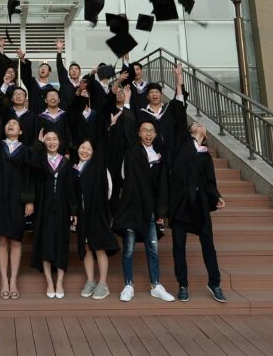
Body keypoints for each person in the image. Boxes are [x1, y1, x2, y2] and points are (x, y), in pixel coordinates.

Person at [112, 121, 175, 303]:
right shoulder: (131, 153)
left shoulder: (159, 157)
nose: (148, 134)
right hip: (132, 207)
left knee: (153, 248)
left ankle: (156, 285)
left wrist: (161, 212)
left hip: (151, 210)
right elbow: (125, 177)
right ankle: (128, 285)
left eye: (151, 131)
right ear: (138, 133)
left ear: (155, 135)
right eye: (145, 131)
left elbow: (162, 186)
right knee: (129, 249)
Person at [169, 121, 227, 303]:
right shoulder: (182, 146)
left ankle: (215, 283)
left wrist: (216, 195)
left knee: (208, 245)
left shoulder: (205, 154)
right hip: (181, 205)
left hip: (200, 205)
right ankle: (183, 284)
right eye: (197, 124)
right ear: (191, 131)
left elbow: (210, 180)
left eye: (202, 124)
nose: (201, 125)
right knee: (179, 246)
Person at [0, 118, 34, 300]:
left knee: (16, 240)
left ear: (20, 131)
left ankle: (13, 280)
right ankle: (4, 280)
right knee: (1, 240)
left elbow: (30, 176)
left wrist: (29, 200)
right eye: (7, 123)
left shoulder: (26, 150)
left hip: (18, 199)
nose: (10, 125)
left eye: (14, 124)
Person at [28, 129, 76, 299]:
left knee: (62, 243)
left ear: (60, 141)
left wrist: (74, 210)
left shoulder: (66, 162)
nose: (51, 142)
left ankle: (60, 282)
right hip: (44, 209)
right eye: (48, 139)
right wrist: (38, 145)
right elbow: (31, 169)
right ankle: (49, 281)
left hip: (62, 210)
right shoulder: (40, 161)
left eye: (54, 139)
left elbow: (71, 188)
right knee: (45, 243)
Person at [73, 137, 118, 300]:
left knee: (99, 247)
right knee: (86, 248)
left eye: (88, 149)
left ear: (93, 153)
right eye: (82, 148)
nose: (84, 151)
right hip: (82, 215)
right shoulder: (75, 168)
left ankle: (103, 284)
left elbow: (109, 191)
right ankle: (91, 280)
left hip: (97, 214)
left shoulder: (100, 168)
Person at [18, 50, 54, 115]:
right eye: (41, 67)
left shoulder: (51, 89)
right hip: (32, 116)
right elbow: (25, 75)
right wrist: (22, 59)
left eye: (45, 68)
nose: (43, 69)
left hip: (45, 117)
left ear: (49, 72)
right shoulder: (32, 83)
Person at [55, 39, 82, 110]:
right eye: (71, 69)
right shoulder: (65, 82)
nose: (74, 71)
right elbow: (60, 67)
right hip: (65, 115)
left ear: (80, 72)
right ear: (69, 73)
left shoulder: (83, 85)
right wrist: (59, 50)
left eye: (76, 69)